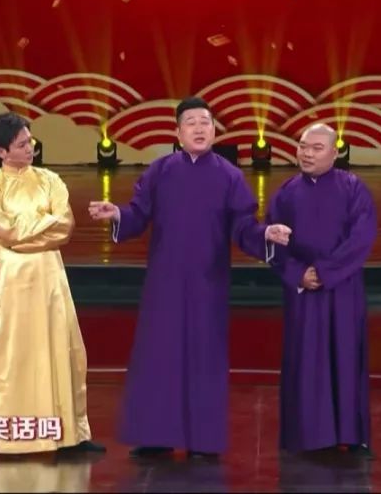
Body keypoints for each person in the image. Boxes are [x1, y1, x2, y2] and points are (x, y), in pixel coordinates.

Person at [88, 96, 292, 458]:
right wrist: (117, 214)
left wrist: (265, 234)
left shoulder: (229, 176)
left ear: (214, 130)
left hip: (207, 283)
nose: (199, 129)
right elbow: (138, 213)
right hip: (164, 282)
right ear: (178, 133)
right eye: (191, 123)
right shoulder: (160, 171)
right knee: (159, 355)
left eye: (205, 122)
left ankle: (202, 441)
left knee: (204, 357)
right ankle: (155, 437)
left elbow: (243, 226)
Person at [0, 112, 106, 455]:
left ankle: (69, 435)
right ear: (1, 152)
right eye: (21, 144)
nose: (30, 148)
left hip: (49, 277)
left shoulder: (50, 180)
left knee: (63, 349)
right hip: (10, 281)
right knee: (17, 356)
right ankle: (20, 438)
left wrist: (19, 237)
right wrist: (39, 225)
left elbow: (63, 226)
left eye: (30, 141)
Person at [256, 123, 377, 456]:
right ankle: (307, 436)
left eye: (316, 148)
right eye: (302, 146)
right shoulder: (286, 193)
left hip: (343, 288)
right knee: (305, 361)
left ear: (334, 153)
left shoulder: (353, 188)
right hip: (302, 291)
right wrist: (298, 274)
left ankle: (352, 435)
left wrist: (324, 272)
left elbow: (362, 238)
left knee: (346, 357)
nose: (307, 153)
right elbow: (272, 241)